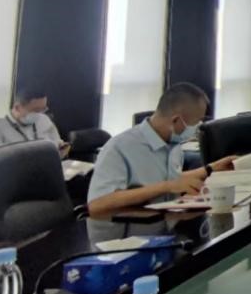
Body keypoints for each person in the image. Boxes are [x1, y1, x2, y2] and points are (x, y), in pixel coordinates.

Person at [87, 83, 235, 216]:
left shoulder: (173, 145)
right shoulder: (119, 148)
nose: (198, 128)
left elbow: (170, 179)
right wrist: (166, 187)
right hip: (129, 233)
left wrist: (212, 168)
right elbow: (96, 204)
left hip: (167, 225)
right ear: (176, 120)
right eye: (196, 122)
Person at [0, 85, 69, 157]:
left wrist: (61, 151)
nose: (39, 114)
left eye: (43, 109)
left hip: (46, 168)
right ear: (17, 108)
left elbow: (57, 144)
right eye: (35, 110)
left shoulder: (44, 120)